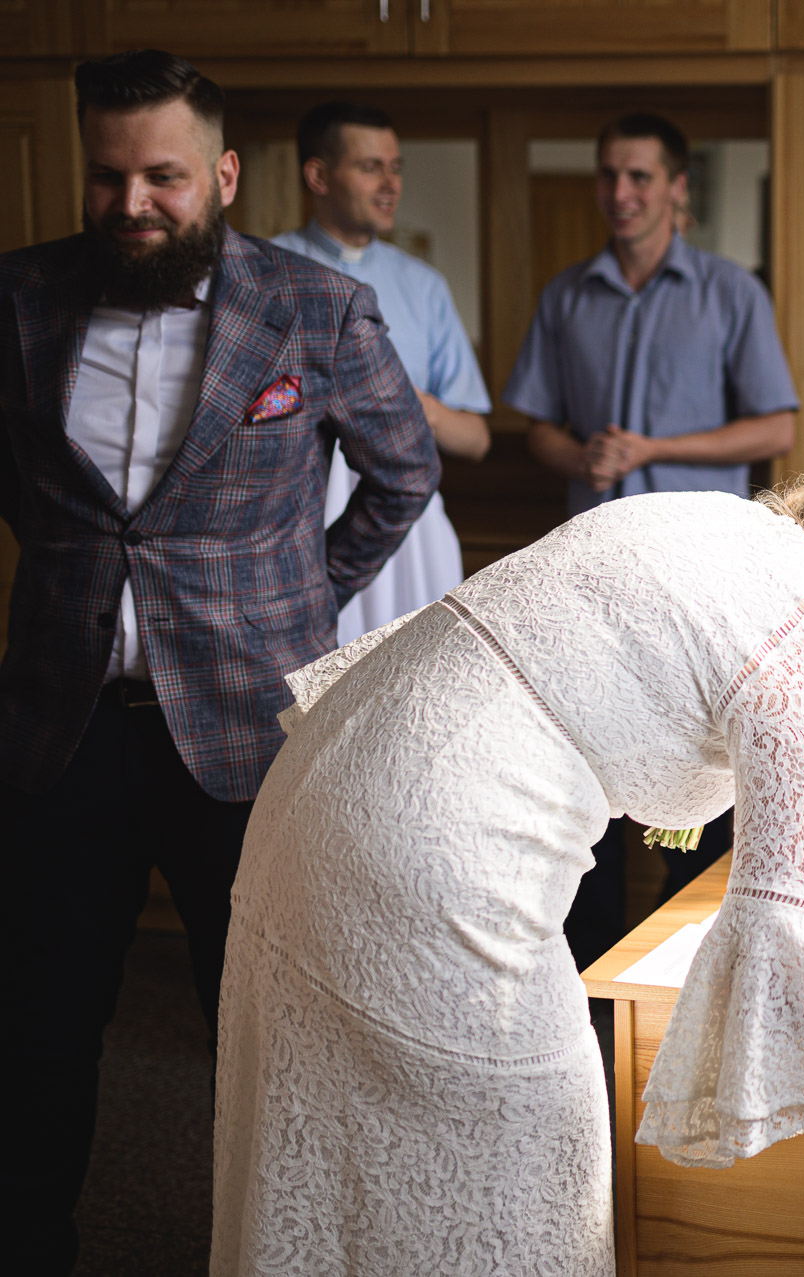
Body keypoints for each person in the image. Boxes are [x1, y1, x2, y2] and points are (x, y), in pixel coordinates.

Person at [209, 451, 804, 1275]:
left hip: (314, 789)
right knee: (528, 1169)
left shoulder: (728, 526)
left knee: (335, 1151)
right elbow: (783, 953)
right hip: (429, 868)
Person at [0, 50, 439, 1275]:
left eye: (164, 177)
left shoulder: (318, 308)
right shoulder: (19, 299)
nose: (132, 203)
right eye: (108, 177)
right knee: (36, 1030)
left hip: (249, 732)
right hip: (60, 729)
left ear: (226, 174)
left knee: (262, 1025)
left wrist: (297, 600)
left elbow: (404, 472)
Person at [503, 111, 800, 962]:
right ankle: (589, 977)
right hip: (589, 587)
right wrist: (579, 453)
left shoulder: (730, 293)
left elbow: (775, 425)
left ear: (676, 187)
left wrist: (655, 447)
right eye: (609, 174)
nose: (621, 192)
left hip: (702, 585)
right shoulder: (565, 295)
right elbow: (536, 428)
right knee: (585, 782)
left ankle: (691, 961)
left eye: (640, 176)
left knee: (704, 786)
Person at [274, 101, 493, 643]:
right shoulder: (264, 274)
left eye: (395, 168)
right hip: (295, 527)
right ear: (318, 176)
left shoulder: (424, 287)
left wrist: (417, 406)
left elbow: (476, 440)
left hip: (406, 528)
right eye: (371, 167)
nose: (391, 184)